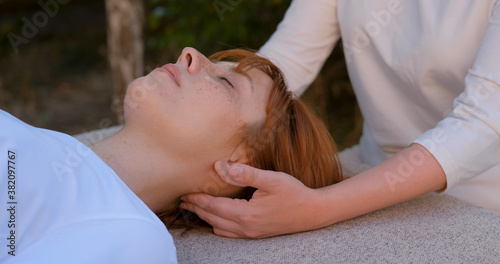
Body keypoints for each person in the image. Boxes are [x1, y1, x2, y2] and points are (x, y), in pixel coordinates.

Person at [180, 0, 500, 239]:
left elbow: (481, 124)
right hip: (371, 163)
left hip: (480, 194)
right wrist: (199, 89)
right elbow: (285, 62)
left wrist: (318, 208)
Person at [0, 47, 343, 263]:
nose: (189, 53)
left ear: (239, 166)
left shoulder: (133, 239)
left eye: (226, 82)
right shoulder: (46, 145)